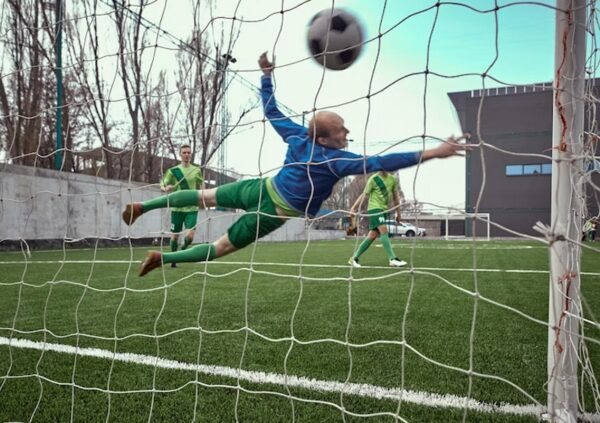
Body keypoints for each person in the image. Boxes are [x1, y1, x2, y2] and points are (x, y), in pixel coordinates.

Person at [122, 52, 469, 276]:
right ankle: (161, 258)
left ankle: (144, 206)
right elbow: (380, 160)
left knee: (202, 196)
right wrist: (431, 153)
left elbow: (271, 110)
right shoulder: (335, 161)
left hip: (258, 187)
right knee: (220, 247)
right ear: (324, 138)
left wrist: (267, 75)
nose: (347, 132)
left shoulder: (298, 136)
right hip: (273, 211)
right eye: (341, 129)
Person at [348, 171, 405, 268]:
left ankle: (354, 258)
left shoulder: (392, 179)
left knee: (372, 235)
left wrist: (398, 214)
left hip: (383, 210)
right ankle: (392, 258)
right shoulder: (373, 179)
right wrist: (354, 207)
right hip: (374, 209)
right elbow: (364, 195)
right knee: (384, 229)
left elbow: (396, 198)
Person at [160, 144, 204, 267]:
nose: (186, 155)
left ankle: (183, 248)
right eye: (184, 152)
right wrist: (165, 188)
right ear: (180, 154)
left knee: (190, 236)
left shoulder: (196, 170)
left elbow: (201, 184)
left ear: (191, 154)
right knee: (174, 237)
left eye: (188, 153)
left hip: (192, 208)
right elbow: (162, 184)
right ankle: (173, 259)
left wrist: (203, 197)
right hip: (177, 208)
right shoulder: (173, 171)